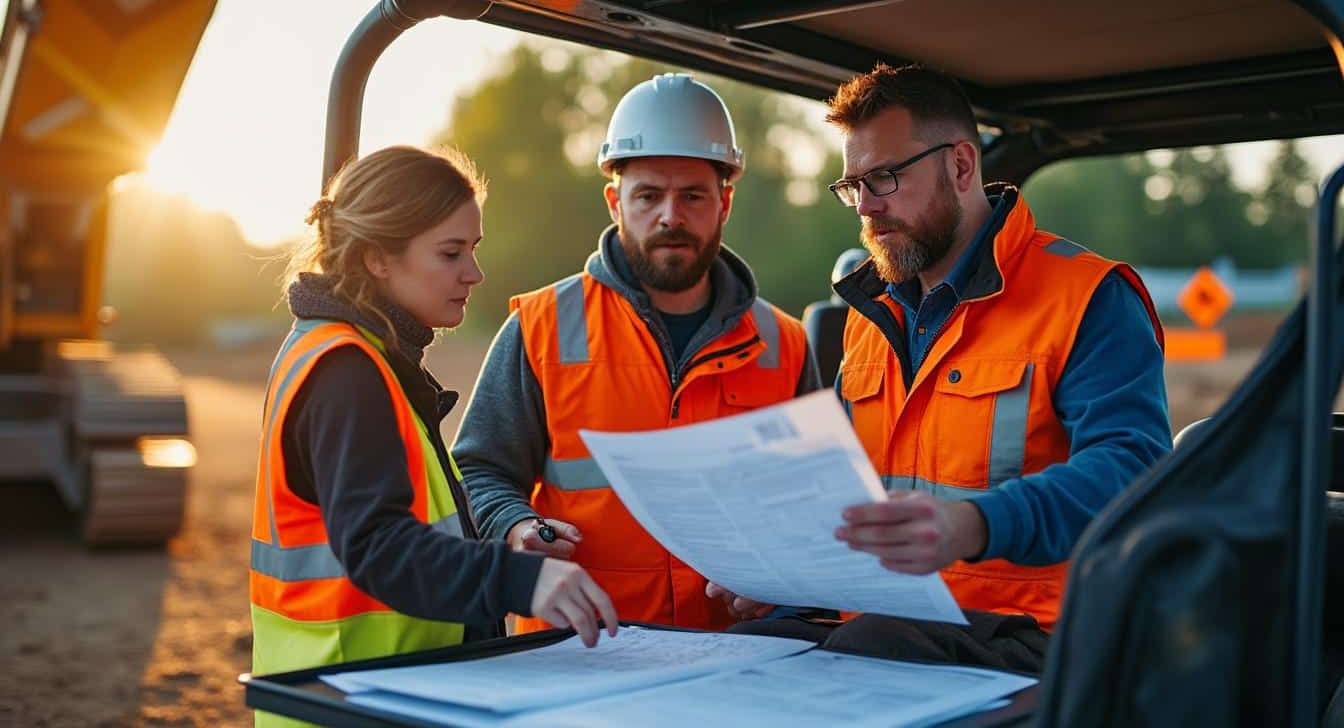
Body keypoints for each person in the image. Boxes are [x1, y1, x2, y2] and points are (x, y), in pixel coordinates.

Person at [722, 64, 1171, 673]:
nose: (868, 209)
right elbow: (847, 489)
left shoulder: (1089, 297)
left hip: (1037, 637)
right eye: (853, 187)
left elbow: (1131, 471)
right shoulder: (869, 317)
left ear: (961, 165)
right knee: (738, 654)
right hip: (883, 621)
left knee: (864, 650)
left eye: (884, 178)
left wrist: (974, 524)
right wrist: (785, 570)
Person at [454, 74, 821, 634]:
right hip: (579, 658)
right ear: (615, 202)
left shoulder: (786, 344)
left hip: (736, 660)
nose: (670, 216)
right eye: (648, 195)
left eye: (693, 195)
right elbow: (481, 468)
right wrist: (515, 526)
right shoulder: (540, 327)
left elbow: (812, 502)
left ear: (724, 202)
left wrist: (780, 574)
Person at [249, 147, 618, 702]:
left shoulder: (360, 355)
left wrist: (505, 543)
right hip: (357, 700)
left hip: (378, 691)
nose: (474, 273)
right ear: (378, 258)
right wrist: (516, 580)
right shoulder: (346, 372)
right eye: (451, 254)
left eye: (473, 249)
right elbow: (378, 544)